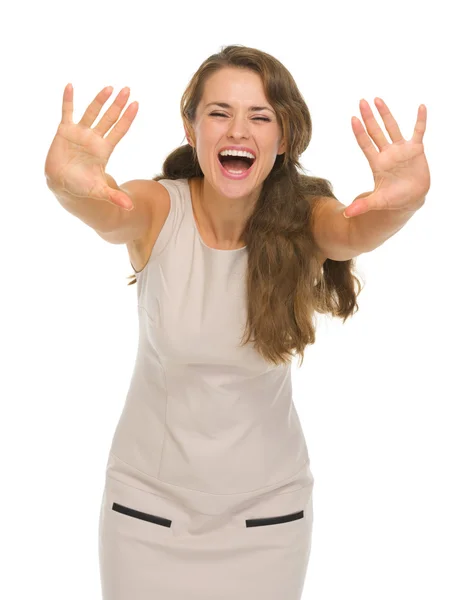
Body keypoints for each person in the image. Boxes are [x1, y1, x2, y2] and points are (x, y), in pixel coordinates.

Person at [44, 44, 430, 600]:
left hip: (268, 519)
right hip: (145, 512)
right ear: (191, 129)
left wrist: (402, 203)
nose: (237, 130)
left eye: (260, 116)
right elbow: (109, 210)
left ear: (285, 138)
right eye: (219, 113)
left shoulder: (305, 218)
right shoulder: (159, 208)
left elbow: (353, 231)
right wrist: (67, 186)